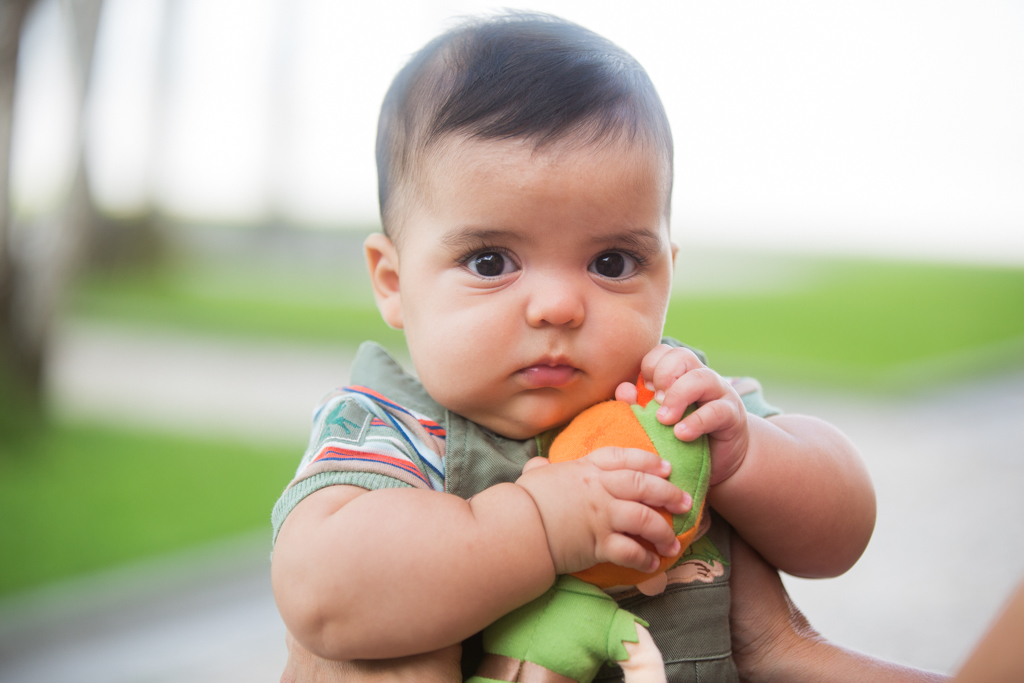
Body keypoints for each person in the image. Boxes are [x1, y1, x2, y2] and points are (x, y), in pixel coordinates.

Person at [270, 13, 876, 683]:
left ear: (667, 274)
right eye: (491, 259)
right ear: (394, 282)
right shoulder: (394, 432)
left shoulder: (677, 404)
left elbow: (842, 532)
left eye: (612, 262)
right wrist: (538, 522)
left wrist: (749, 456)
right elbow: (320, 593)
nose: (558, 306)